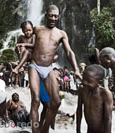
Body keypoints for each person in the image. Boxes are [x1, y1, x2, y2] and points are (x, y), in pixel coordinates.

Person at [28, 5, 81, 133]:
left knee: (56, 102)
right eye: (51, 15)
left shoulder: (61, 34)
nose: (53, 18)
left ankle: (44, 129)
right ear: (46, 15)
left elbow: (69, 52)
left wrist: (77, 69)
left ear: (58, 17)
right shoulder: (37, 29)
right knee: (35, 99)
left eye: (56, 16)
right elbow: (26, 41)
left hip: (48, 68)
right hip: (34, 66)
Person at [76, 64, 113, 133]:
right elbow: (79, 110)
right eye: (83, 79)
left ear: (99, 82)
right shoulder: (82, 90)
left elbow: (108, 119)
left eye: (88, 81)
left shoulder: (105, 94)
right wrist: (78, 130)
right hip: (89, 130)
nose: (84, 82)